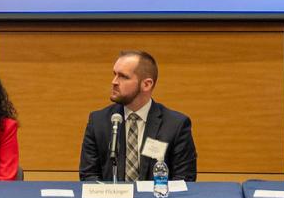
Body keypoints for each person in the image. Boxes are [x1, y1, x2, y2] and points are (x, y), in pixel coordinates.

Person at [78, 50, 197, 182]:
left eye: (123, 76)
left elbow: (184, 179)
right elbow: (89, 175)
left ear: (146, 84)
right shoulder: (98, 121)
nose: (114, 82)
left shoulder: (176, 125)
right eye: (114, 74)